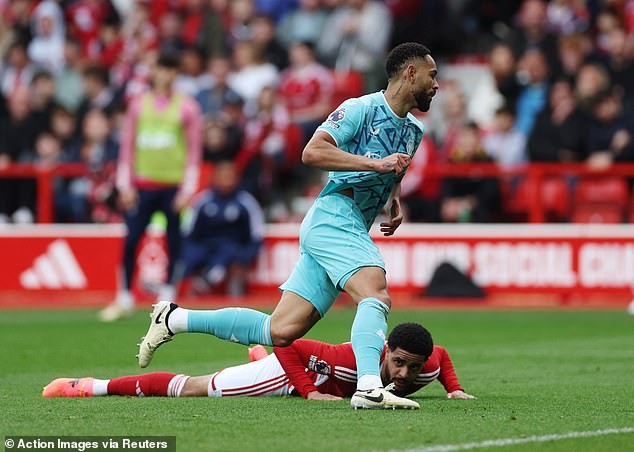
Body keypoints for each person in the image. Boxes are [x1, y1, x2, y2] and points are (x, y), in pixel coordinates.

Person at [137, 42, 439, 410]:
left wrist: (393, 201)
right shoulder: (361, 108)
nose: (436, 84)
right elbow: (312, 152)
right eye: (432, 75)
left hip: (354, 224)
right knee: (375, 294)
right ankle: (369, 387)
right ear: (410, 73)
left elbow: (396, 169)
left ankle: (174, 318)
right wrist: (375, 165)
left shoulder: (413, 130)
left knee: (280, 331)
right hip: (334, 214)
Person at [43, 323, 475, 401]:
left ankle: (256, 358)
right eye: (398, 364)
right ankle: (90, 385)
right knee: (200, 387)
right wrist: (307, 391)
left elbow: (443, 357)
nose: (404, 375)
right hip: (291, 373)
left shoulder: (426, 364)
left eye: (412, 368)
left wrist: (453, 389)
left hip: (308, 376)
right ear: (383, 353)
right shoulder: (347, 360)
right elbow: (291, 342)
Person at [98, 52, 202, 322]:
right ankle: (124, 297)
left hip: (172, 184)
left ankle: (166, 298)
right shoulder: (138, 104)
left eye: (170, 69)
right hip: (142, 184)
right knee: (131, 238)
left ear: (175, 73)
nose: (164, 75)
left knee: (173, 239)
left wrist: (187, 189)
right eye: (160, 69)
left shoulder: (187, 106)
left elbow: (193, 151)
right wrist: (125, 184)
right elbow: (127, 147)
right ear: (154, 71)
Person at [177, 160, 264, 296]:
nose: (226, 181)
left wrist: (245, 257)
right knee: (189, 255)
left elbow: (256, 236)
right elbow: (188, 232)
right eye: (223, 177)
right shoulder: (202, 201)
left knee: (229, 252)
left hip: (232, 248)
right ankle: (191, 286)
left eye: (230, 177)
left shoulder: (247, 202)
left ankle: (210, 280)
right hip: (207, 245)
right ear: (215, 178)